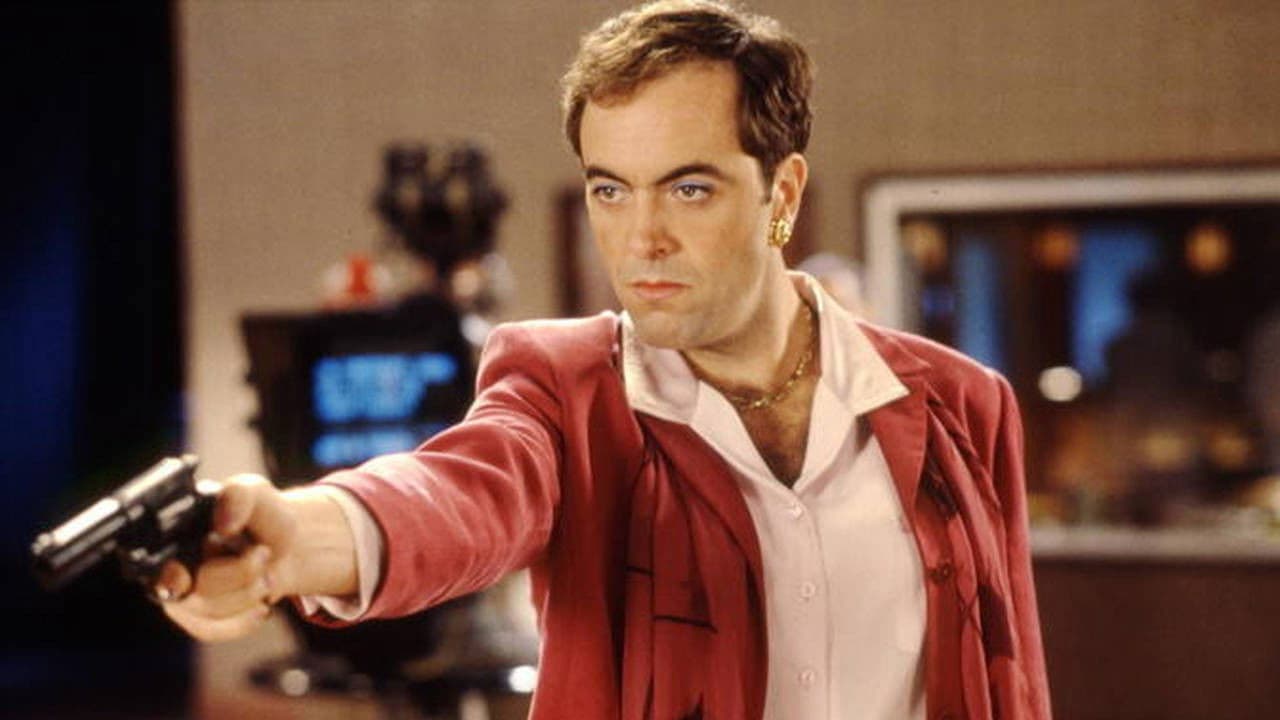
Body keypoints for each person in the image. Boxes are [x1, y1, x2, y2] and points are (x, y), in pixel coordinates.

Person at [158, 2, 1051, 718]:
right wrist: (295, 538)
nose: (641, 238)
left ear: (780, 193)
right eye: (611, 191)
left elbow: (1010, 680)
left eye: (689, 189)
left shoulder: (962, 402)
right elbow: (459, 494)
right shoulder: (564, 388)